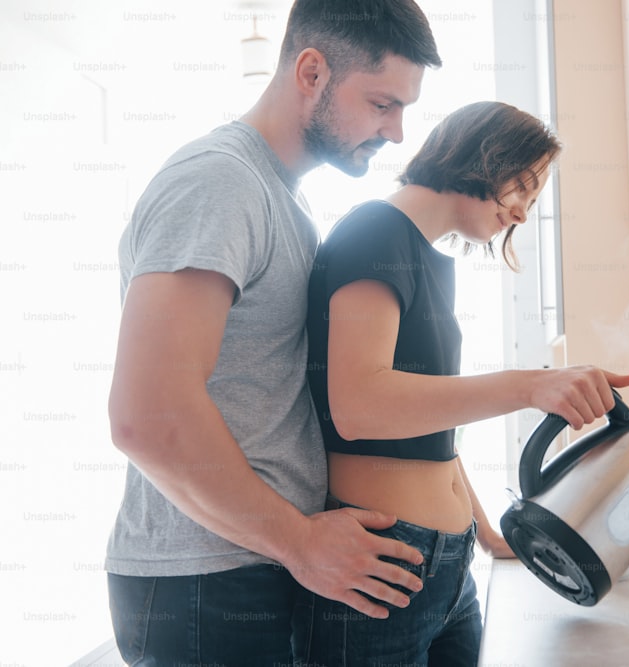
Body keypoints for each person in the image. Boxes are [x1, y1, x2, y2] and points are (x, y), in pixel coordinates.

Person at [104, 1, 442, 664]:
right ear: (311, 72)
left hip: (246, 562)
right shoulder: (219, 183)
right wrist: (299, 541)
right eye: (382, 103)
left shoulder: (287, 201)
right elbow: (146, 415)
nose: (398, 132)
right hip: (205, 580)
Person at [304, 101, 629, 665]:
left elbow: (433, 427)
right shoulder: (374, 231)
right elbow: (360, 406)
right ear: (487, 156)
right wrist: (529, 386)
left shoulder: (427, 259)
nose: (524, 214)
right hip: (385, 567)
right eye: (525, 189)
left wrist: (486, 535)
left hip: (451, 568)